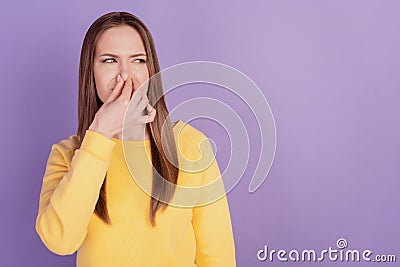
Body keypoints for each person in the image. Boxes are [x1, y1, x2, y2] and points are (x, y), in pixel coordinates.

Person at [35, 11, 236, 267]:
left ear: (151, 69)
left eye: (138, 60)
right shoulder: (68, 154)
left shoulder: (191, 145)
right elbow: (60, 241)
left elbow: (218, 258)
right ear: (91, 73)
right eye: (109, 60)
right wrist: (100, 134)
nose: (126, 75)